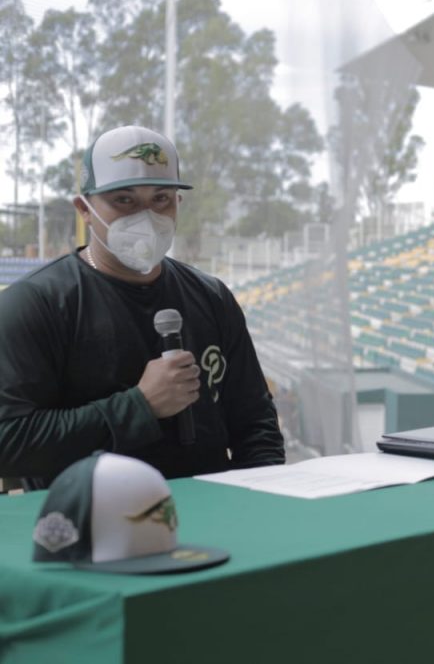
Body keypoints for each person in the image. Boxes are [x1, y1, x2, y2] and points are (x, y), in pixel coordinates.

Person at [0, 125, 285, 488]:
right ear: (84, 209)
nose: (146, 215)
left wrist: (259, 502)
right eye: (124, 200)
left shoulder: (212, 297)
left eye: (161, 198)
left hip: (213, 518)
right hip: (87, 523)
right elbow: (8, 441)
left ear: (177, 203)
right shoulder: (33, 305)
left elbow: (256, 425)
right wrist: (139, 407)